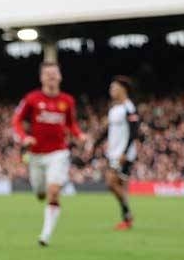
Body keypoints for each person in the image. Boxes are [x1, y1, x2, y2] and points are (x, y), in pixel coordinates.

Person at [11, 61, 86, 246]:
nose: (51, 77)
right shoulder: (32, 98)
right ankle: (41, 193)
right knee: (40, 194)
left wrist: (79, 134)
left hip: (58, 153)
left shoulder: (67, 101)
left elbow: (71, 123)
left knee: (53, 192)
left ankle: (45, 235)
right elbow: (17, 120)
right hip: (36, 155)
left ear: (60, 76)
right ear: (41, 77)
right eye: (48, 74)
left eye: (54, 74)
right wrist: (24, 137)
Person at [91, 76, 139, 230]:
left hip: (124, 154)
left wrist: (125, 152)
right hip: (113, 153)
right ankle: (126, 218)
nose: (111, 90)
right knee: (116, 185)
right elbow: (108, 131)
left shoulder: (129, 107)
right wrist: (96, 144)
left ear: (122, 89)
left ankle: (128, 214)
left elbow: (134, 131)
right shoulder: (114, 109)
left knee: (111, 182)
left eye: (114, 87)